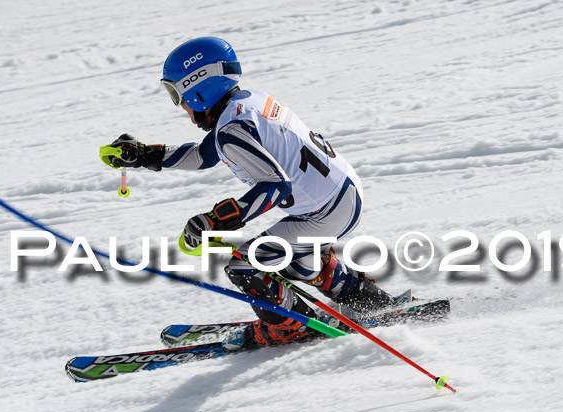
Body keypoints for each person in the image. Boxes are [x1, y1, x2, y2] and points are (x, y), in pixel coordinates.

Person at [102, 37, 395, 349]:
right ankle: (361, 296)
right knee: (286, 256)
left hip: (324, 212)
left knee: (246, 264)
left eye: (178, 94)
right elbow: (205, 155)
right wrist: (145, 155)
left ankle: (291, 327)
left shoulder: (232, 128)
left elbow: (275, 186)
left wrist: (214, 220)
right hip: (342, 196)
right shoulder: (246, 102)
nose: (182, 105)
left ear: (198, 88)